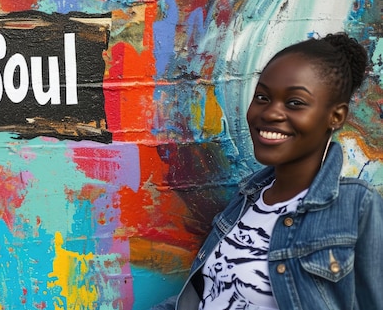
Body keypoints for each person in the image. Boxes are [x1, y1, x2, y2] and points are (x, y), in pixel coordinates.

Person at [152, 32, 383, 310]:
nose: (270, 113)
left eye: (295, 102)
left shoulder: (356, 207)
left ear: (335, 116)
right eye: (262, 97)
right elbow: (205, 296)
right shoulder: (245, 200)